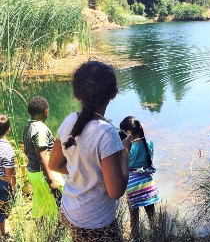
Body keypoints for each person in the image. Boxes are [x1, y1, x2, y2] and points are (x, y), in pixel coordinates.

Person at [48, 60, 131, 242]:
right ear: (114, 94)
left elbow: (54, 164)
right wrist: (125, 152)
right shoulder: (107, 134)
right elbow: (116, 191)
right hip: (95, 223)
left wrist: (84, 173)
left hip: (70, 210)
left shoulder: (68, 121)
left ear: (77, 95)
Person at [119, 116, 160, 241]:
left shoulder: (127, 148)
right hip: (148, 185)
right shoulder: (149, 143)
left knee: (134, 216)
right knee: (152, 215)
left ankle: (135, 237)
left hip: (133, 186)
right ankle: (157, 235)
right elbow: (149, 160)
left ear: (129, 133)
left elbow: (124, 165)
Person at [23, 96, 64, 219]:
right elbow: (42, 157)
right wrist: (51, 181)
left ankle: (44, 232)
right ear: (46, 111)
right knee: (62, 203)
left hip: (33, 171)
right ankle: (58, 231)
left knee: (43, 205)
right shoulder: (40, 129)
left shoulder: (29, 126)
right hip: (45, 173)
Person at [0, 115, 16, 238]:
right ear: (8, 129)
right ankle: (3, 234)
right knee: (1, 210)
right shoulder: (7, 149)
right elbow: (9, 173)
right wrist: (13, 187)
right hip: (2, 184)